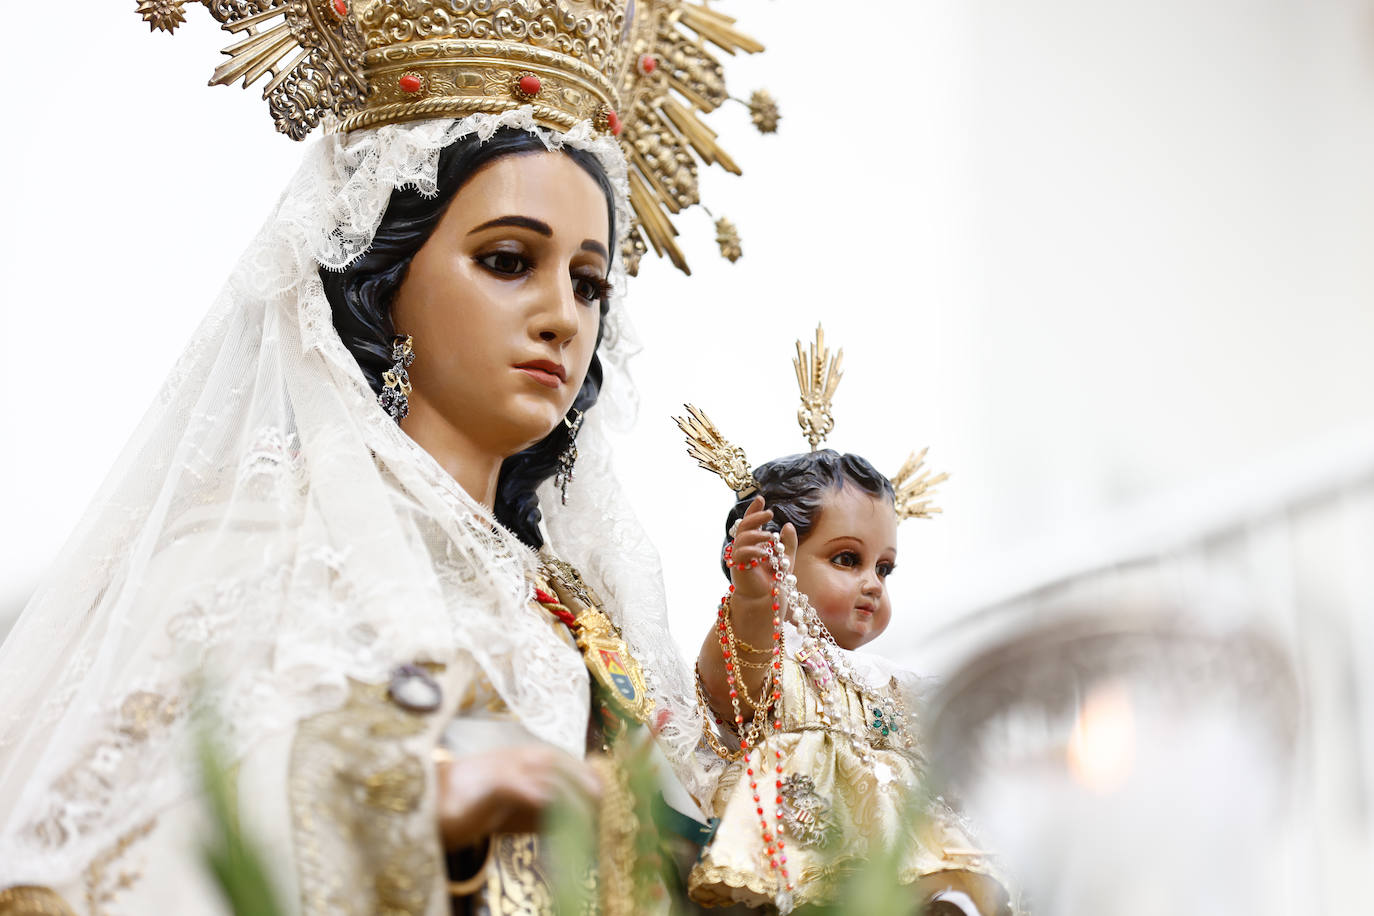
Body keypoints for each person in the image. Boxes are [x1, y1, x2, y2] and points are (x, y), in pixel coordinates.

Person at [0, 2, 769, 913]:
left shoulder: (581, 612)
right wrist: (443, 801)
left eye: (589, 281)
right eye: (509, 259)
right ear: (387, 277)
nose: (565, 315)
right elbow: (147, 859)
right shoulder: (262, 554)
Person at [678, 329, 1017, 914]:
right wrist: (755, 597)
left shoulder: (892, 684)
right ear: (776, 558)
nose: (871, 584)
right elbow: (737, 684)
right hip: (801, 866)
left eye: (884, 569)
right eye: (846, 559)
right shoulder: (766, 650)